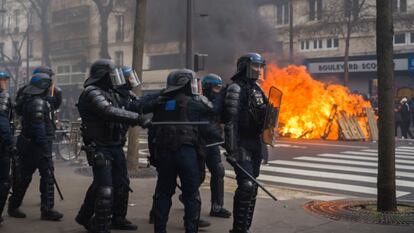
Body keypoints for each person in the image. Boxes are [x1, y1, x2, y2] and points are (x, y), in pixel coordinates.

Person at [75, 59, 144, 233]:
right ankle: (100, 226)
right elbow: (108, 111)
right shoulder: (91, 92)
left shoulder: (112, 92)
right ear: (102, 75)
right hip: (99, 147)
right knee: (104, 187)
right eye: (111, 74)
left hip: (114, 145)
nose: (115, 78)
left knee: (121, 184)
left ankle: (117, 219)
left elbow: (133, 105)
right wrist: (137, 118)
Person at [143, 69, 215, 233]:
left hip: (164, 154)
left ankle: (159, 230)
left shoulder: (160, 103)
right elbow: (211, 119)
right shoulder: (195, 103)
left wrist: (154, 156)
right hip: (187, 154)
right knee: (191, 195)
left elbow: (152, 132)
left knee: (163, 193)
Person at [8, 73, 64, 221]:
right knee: (47, 175)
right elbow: (39, 128)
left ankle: (13, 206)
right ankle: (47, 210)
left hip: (28, 144)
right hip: (36, 146)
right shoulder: (38, 103)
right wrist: (45, 148)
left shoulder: (30, 99)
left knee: (25, 177)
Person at [223, 53, 268, 233]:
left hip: (255, 142)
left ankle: (245, 228)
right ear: (244, 67)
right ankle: (238, 230)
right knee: (246, 185)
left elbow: (264, 117)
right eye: (254, 66)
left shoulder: (259, 90)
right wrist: (232, 149)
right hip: (241, 143)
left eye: (260, 66)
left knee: (253, 185)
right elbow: (230, 122)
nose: (258, 70)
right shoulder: (235, 89)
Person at [200, 74, 231, 218]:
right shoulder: (200, 101)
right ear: (207, 87)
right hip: (199, 143)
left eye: (220, 87)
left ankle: (217, 206)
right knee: (197, 176)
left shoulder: (218, 101)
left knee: (218, 172)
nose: (218, 90)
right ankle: (188, 199)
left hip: (212, 143)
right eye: (216, 87)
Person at [0, 71, 16, 223]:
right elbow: (3, 123)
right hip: (2, 146)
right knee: (4, 181)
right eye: (2, 80)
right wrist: (11, 145)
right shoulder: (3, 97)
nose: (4, 83)